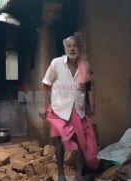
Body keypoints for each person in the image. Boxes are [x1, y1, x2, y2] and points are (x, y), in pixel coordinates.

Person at [42, 35, 98, 181]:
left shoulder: (85, 65)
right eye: (69, 46)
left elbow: (88, 88)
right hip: (60, 109)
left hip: (79, 110)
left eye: (75, 46)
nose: (72, 49)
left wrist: (89, 108)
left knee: (80, 142)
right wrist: (46, 105)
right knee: (59, 142)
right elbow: (46, 83)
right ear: (65, 47)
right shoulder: (56, 63)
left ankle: (78, 175)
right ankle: (61, 175)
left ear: (79, 48)